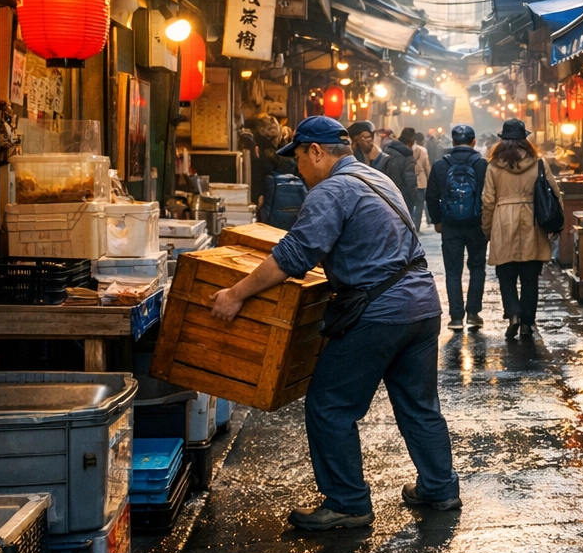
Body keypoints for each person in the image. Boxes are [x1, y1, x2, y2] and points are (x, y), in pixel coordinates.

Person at [209, 115, 460, 530]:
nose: (299, 170)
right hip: (421, 307)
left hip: (379, 312)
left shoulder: (333, 189)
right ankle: (440, 487)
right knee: (418, 404)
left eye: (300, 160)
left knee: (329, 405)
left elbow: (295, 255)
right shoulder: (377, 179)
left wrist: (236, 295)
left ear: (316, 151)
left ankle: (347, 502)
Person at [482, 118, 562, 341]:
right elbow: (554, 192)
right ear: (525, 139)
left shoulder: (493, 166)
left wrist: (487, 230)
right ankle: (527, 322)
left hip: (502, 220)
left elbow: (488, 200)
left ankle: (513, 314)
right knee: (530, 276)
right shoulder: (538, 163)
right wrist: (555, 223)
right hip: (532, 221)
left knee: (505, 274)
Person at [426, 124, 489, 330]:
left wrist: (437, 221)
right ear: (474, 142)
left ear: (452, 142)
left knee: (453, 271)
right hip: (477, 225)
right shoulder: (482, 165)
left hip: (450, 226)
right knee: (477, 268)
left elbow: (431, 196)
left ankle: (455, 317)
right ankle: (473, 313)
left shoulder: (440, 165)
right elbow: (488, 197)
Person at [376, 128, 421, 222]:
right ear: (411, 141)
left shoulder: (387, 150)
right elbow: (410, 180)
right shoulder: (407, 156)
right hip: (402, 198)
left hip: (385, 195)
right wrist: (414, 197)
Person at [412, 131, 432, 229]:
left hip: (411, 179)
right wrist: (430, 178)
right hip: (421, 180)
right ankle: (417, 225)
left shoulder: (409, 148)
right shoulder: (423, 150)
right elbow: (427, 166)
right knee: (421, 203)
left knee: (411, 202)